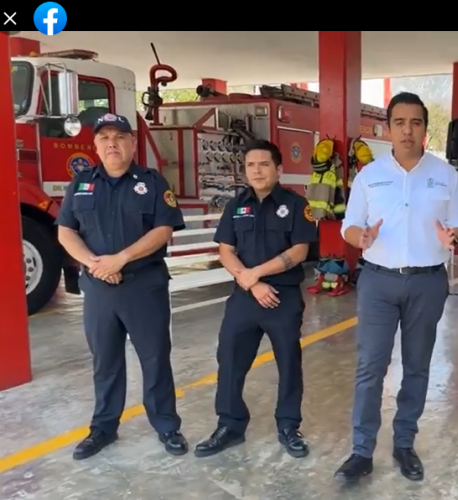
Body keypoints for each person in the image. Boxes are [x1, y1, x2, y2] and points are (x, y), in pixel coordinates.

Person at [333, 92, 458, 483]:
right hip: (378, 281)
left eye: (415, 122)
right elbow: (349, 225)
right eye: (399, 122)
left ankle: (404, 444)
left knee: (417, 366)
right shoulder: (369, 175)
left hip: (427, 282)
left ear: (425, 128)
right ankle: (361, 452)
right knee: (370, 367)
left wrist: (454, 237)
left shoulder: (445, 175)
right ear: (388, 128)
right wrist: (361, 237)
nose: (407, 130)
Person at [56, 113, 188, 460]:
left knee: (155, 358)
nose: (112, 143)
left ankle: (166, 426)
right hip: (99, 289)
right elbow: (66, 231)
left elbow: (164, 229)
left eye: (119, 137)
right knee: (105, 360)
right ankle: (103, 428)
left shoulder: (152, 181)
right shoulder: (81, 183)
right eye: (105, 138)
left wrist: (121, 259)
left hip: (144, 286)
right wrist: (96, 265)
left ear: (132, 142)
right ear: (96, 145)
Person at [194, 140, 316, 459]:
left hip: (282, 297)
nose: (257, 171)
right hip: (245, 296)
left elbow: (299, 251)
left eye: (264, 164)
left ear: (279, 169)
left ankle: (288, 427)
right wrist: (250, 282)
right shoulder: (236, 205)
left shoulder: (295, 204)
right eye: (251, 165)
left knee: (288, 363)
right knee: (229, 360)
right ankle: (230, 425)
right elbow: (226, 250)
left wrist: (257, 274)